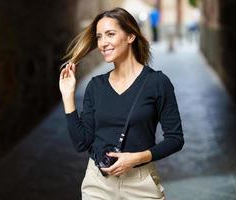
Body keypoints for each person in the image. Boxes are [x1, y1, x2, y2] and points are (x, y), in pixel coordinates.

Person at [59, 7, 184, 200]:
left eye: (110, 34)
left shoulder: (158, 83)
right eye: (99, 37)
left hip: (140, 183)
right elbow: (81, 142)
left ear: (130, 36)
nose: (103, 43)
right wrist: (68, 96)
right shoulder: (96, 86)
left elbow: (175, 139)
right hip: (98, 183)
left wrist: (137, 158)